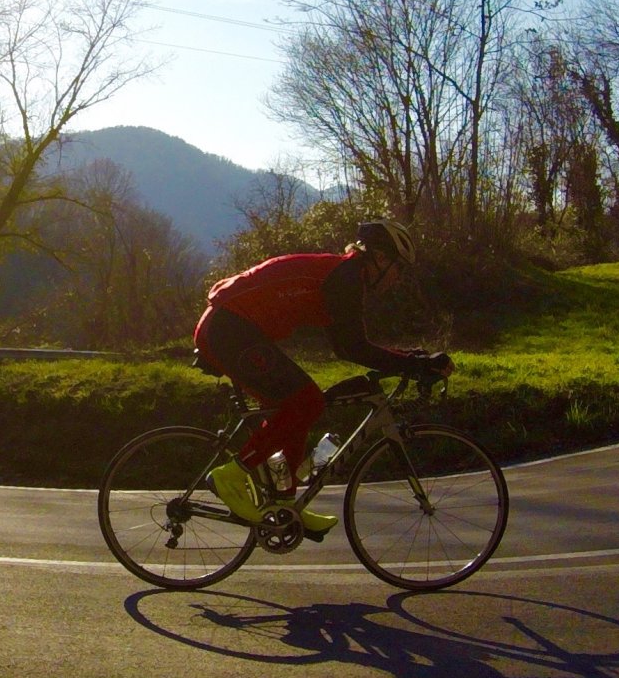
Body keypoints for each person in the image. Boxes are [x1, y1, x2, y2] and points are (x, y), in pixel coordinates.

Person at [193, 219, 455, 540]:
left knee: (295, 411)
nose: (398, 278)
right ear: (382, 259)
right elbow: (353, 348)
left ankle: (286, 502)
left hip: (231, 327)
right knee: (307, 401)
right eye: (398, 268)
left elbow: (347, 344)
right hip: (230, 329)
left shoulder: (343, 276)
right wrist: (414, 364)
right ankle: (232, 474)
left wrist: (411, 359)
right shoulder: (346, 279)